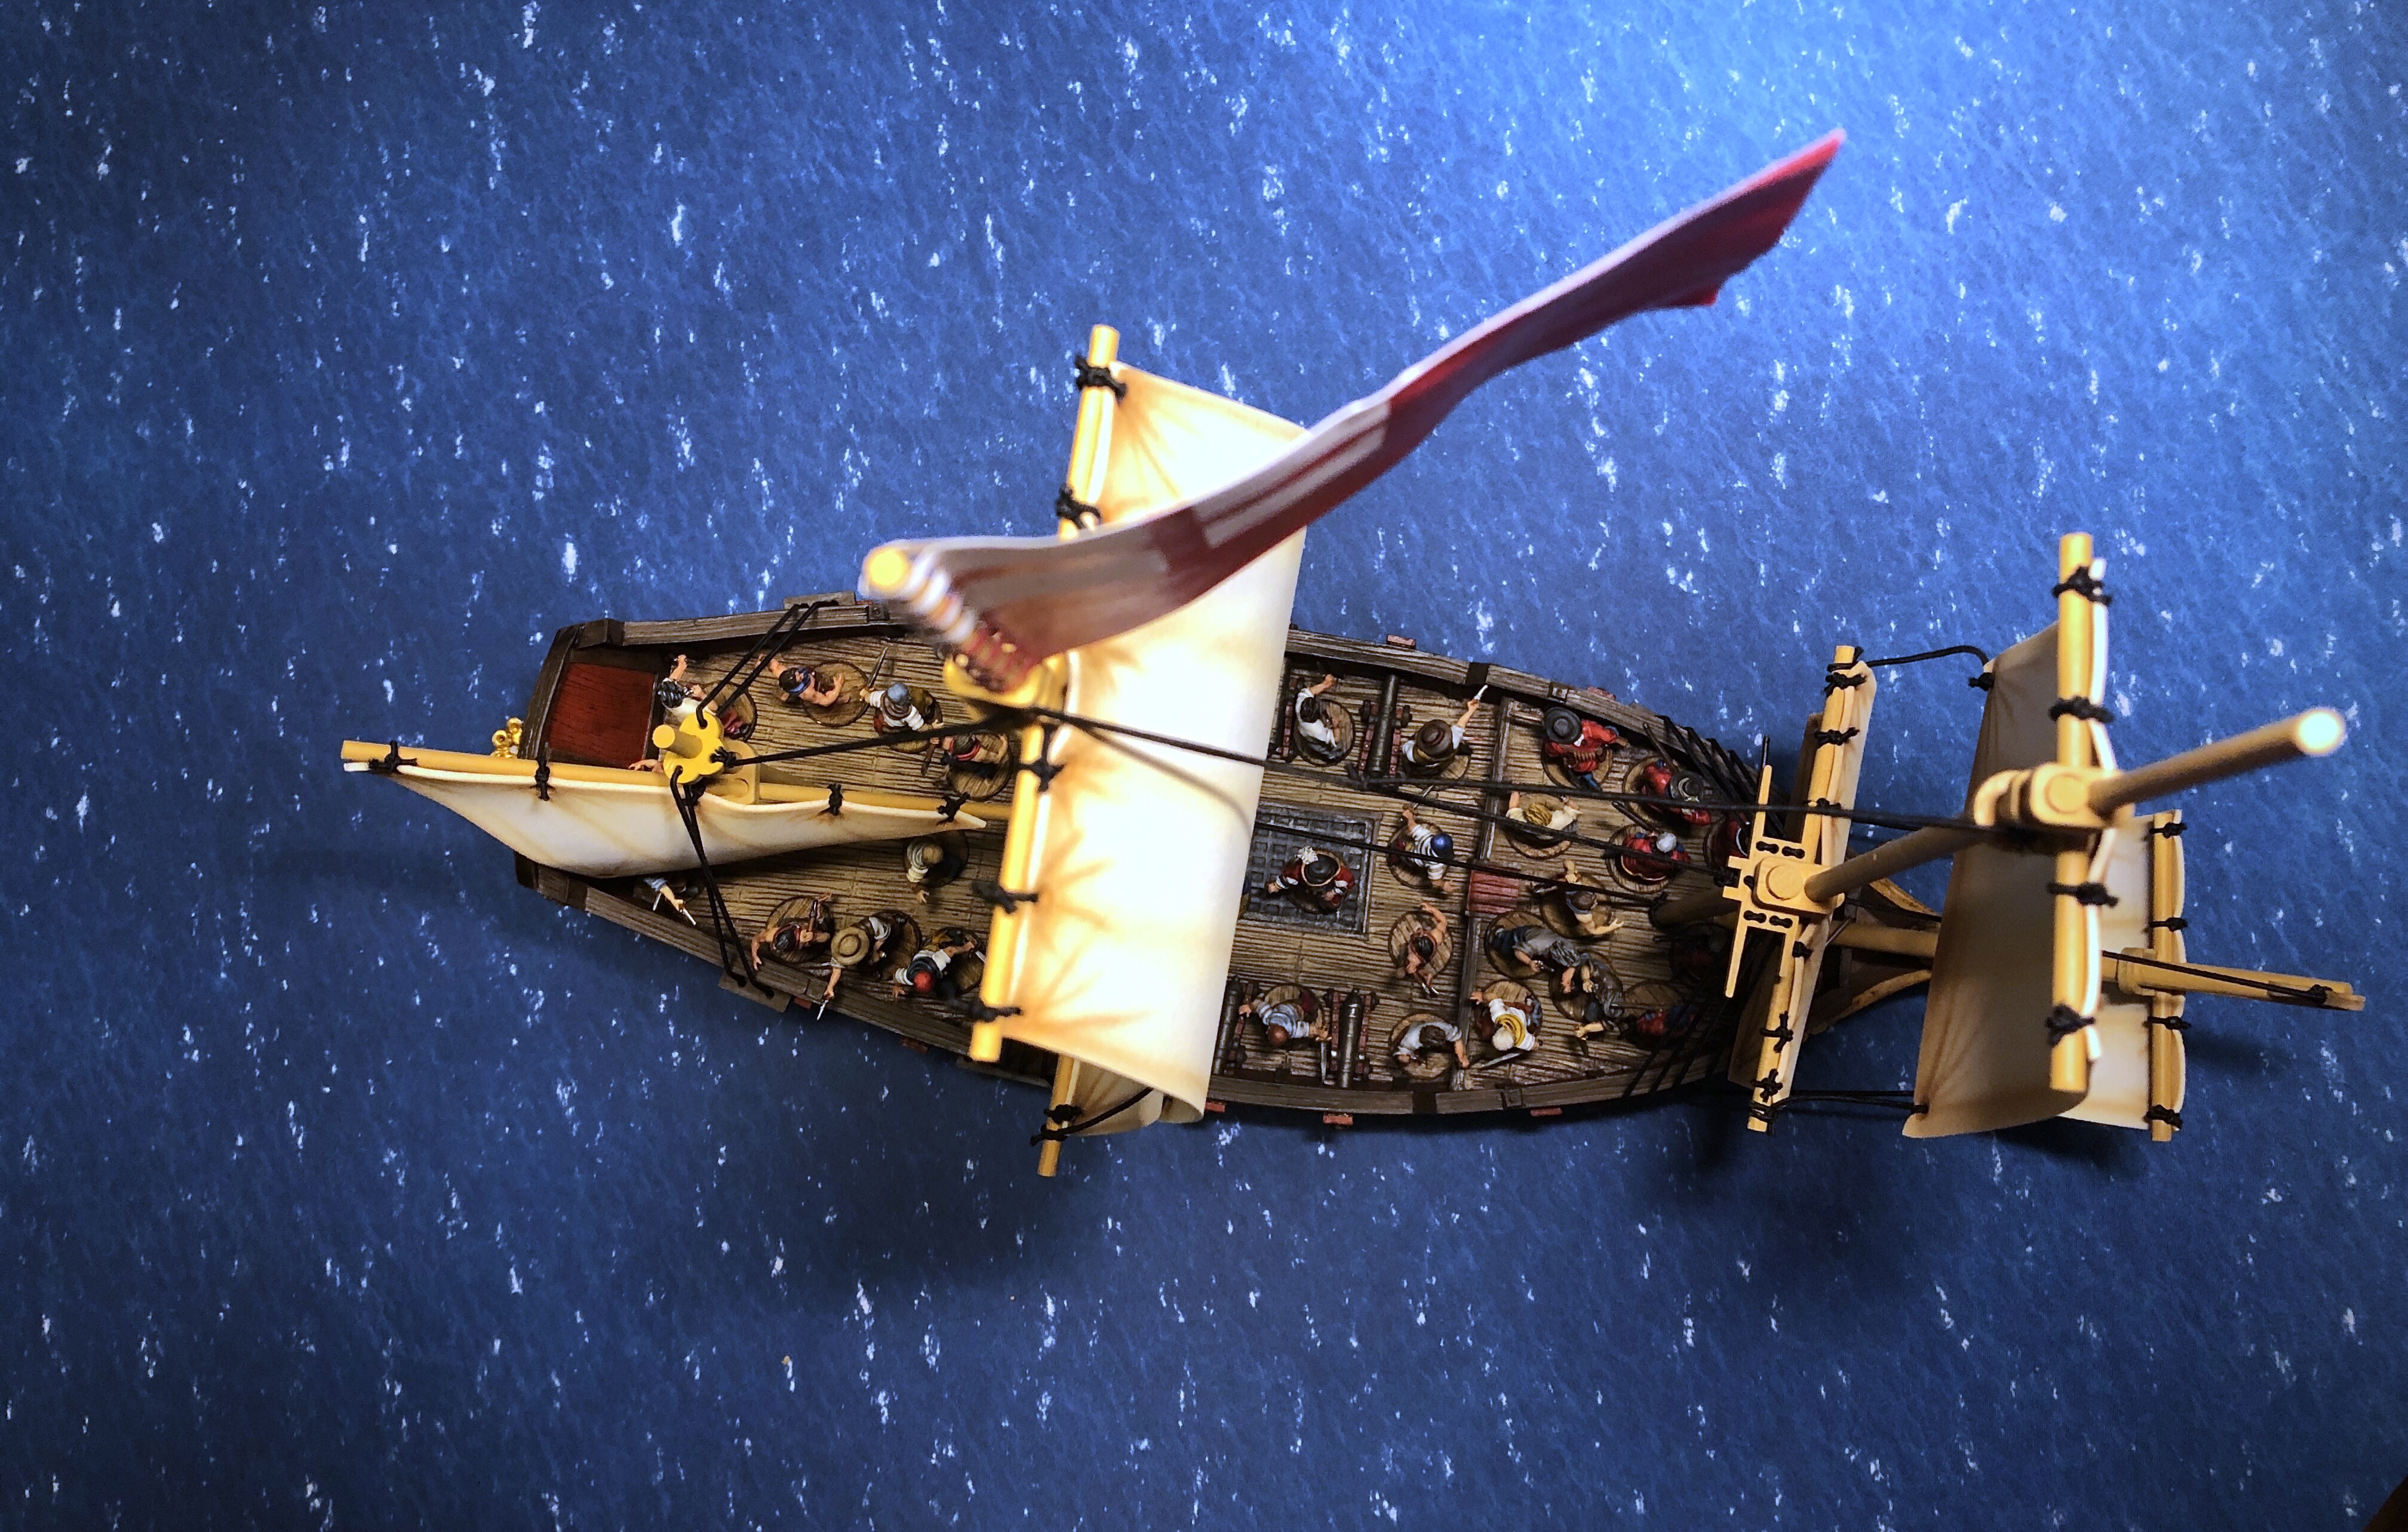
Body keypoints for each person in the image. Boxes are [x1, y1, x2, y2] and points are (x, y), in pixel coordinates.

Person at [1398, 694, 1482, 775]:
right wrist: (1471, 710)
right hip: (1435, 766)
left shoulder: (1411, 753)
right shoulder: (1455, 740)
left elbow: (1406, 747)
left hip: (1427, 764)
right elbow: (1460, 726)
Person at [1540, 707, 1621, 787]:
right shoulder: (1556, 746)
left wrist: (1602, 749)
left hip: (1594, 760)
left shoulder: (1594, 731)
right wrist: (1568, 751)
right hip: (1577, 767)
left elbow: (1611, 736)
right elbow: (1551, 751)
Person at [750, 895, 834, 968]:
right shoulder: (770, 936)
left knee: (823, 932)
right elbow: (757, 939)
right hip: (810, 940)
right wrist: (754, 955)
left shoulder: (805, 927)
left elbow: (826, 935)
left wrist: (818, 905)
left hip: (810, 925)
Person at [1549, 859, 1624, 940]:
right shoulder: (1584, 917)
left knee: (1573, 876)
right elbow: (1594, 931)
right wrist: (1611, 927)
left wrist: (1570, 871)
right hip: (1569, 901)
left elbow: (1567, 861)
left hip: (1569, 893)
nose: (1596, 903)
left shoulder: (1575, 883)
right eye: (1593, 903)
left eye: (1594, 898)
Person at [1262, 849, 1354, 913]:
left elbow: (1347, 884)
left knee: (1332, 904)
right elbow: (1289, 877)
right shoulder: (1300, 870)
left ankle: (1326, 906)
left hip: (1331, 889)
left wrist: (1333, 892)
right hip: (1306, 887)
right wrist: (1276, 886)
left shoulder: (1342, 874)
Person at [892, 932, 978, 999]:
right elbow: (896, 976)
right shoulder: (908, 977)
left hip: (933, 952)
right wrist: (897, 986)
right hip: (922, 958)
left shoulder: (937, 963)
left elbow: (950, 951)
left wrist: (966, 948)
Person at [1391, 806, 1455, 893]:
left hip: (1416, 848)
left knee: (1409, 846)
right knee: (1406, 859)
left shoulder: (1427, 836)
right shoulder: (1436, 865)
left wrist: (1410, 817)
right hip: (1413, 859)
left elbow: (1412, 827)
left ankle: (1405, 847)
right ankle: (1400, 854)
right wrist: (1443, 884)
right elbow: (1435, 881)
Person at [1470, 987, 1540, 1057]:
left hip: (1521, 1016)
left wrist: (1534, 1044)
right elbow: (1493, 997)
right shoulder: (1500, 1015)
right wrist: (1482, 996)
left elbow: (1535, 1045)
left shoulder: (1522, 1040)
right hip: (1515, 1013)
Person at [1399, 902, 1451, 995]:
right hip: (1424, 953)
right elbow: (1443, 921)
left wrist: (1431, 909)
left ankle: (1422, 975)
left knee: (1413, 965)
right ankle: (1424, 976)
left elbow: (1443, 921)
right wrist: (1431, 909)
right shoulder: (1437, 936)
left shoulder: (1431, 937)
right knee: (1414, 965)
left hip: (1420, 952)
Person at [1239, 990, 1321, 1047]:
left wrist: (1251, 1007)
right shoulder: (1293, 1029)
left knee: (1308, 1008)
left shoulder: (1271, 1018)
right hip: (1288, 1009)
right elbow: (1259, 1005)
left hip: (1295, 1009)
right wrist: (1250, 1007)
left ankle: (1306, 1001)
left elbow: (1259, 1005)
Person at [1292, 673, 1344, 761]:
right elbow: (1335, 739)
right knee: (1325, 748)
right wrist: (1336, 726)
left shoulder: (1301, 703)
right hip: (1309, 735)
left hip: (1305, 726)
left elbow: (1311, 691)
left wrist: (1325, 684)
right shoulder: (1316, 729)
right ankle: (1331, 756)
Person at [1393, 1014, 1470, 1070]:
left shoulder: (1444, 1028)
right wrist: (1409, 1058)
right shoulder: (1410, 1041)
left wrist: (1462, 1057)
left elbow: (1457, 1039)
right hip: (1414, 1031)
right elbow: (1402, 1054)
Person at [904, 836, 965, 905]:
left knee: (955, 862)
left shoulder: (929, 841)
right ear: (929, 864)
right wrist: (918, 891)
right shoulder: (918, 868)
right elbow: (912, 882)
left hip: (918, 842)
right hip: (913, 851)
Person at [1505, 790, 1578, 844]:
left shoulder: (1523, 822)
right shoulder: (1559, 820)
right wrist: (1565, 798)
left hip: (1542, 835)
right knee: (1572, 825)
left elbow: (1513, 806)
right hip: (1551, 834)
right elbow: (1575, 808)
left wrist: (1516, 791)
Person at [870, 681, 936, 739]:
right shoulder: (911, 714)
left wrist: (866, 693)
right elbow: (920, 727)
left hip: (888, 719)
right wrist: (932, 728)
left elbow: (870, 697)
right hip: (896, 727)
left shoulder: (880, 697)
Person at [777, 663, 843, 709]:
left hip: (811, 678)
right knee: (839, 699)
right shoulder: (808, 693)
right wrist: (838, 687)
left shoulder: (780, 670)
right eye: (800, 678)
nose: (802, 675)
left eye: (798, 673)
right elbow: (827, 701)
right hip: (816, 689)